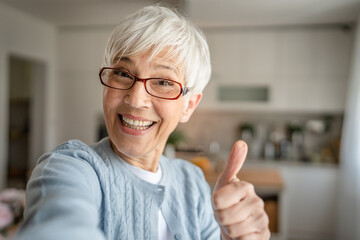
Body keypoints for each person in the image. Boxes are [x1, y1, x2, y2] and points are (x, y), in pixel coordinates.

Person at [16, 5, 270, 240]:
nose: (136, 99)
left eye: (163, 82)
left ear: (189, 105)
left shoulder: (191, 182)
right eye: (123, 73)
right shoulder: (68, 168)